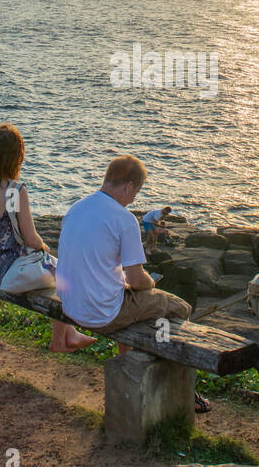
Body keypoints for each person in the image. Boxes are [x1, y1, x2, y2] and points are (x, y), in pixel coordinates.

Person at [57, 156, 205, 410]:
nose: (134, 198)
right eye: (136, 191)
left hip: (71, 307)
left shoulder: (77, 208)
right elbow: (137, 280)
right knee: (179, 307)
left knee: (127, 300)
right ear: (129, 186)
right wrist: (149, 284)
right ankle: (175, 386)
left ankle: (128, 365)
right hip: (101, 314)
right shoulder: (123, 219)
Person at [0, 123, 95, 353]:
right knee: (68, 275)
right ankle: (60, 340)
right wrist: (43, 246)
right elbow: (29, 238)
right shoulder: (13, 191)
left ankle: (70, 334)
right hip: (7, 272)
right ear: (16, 156)